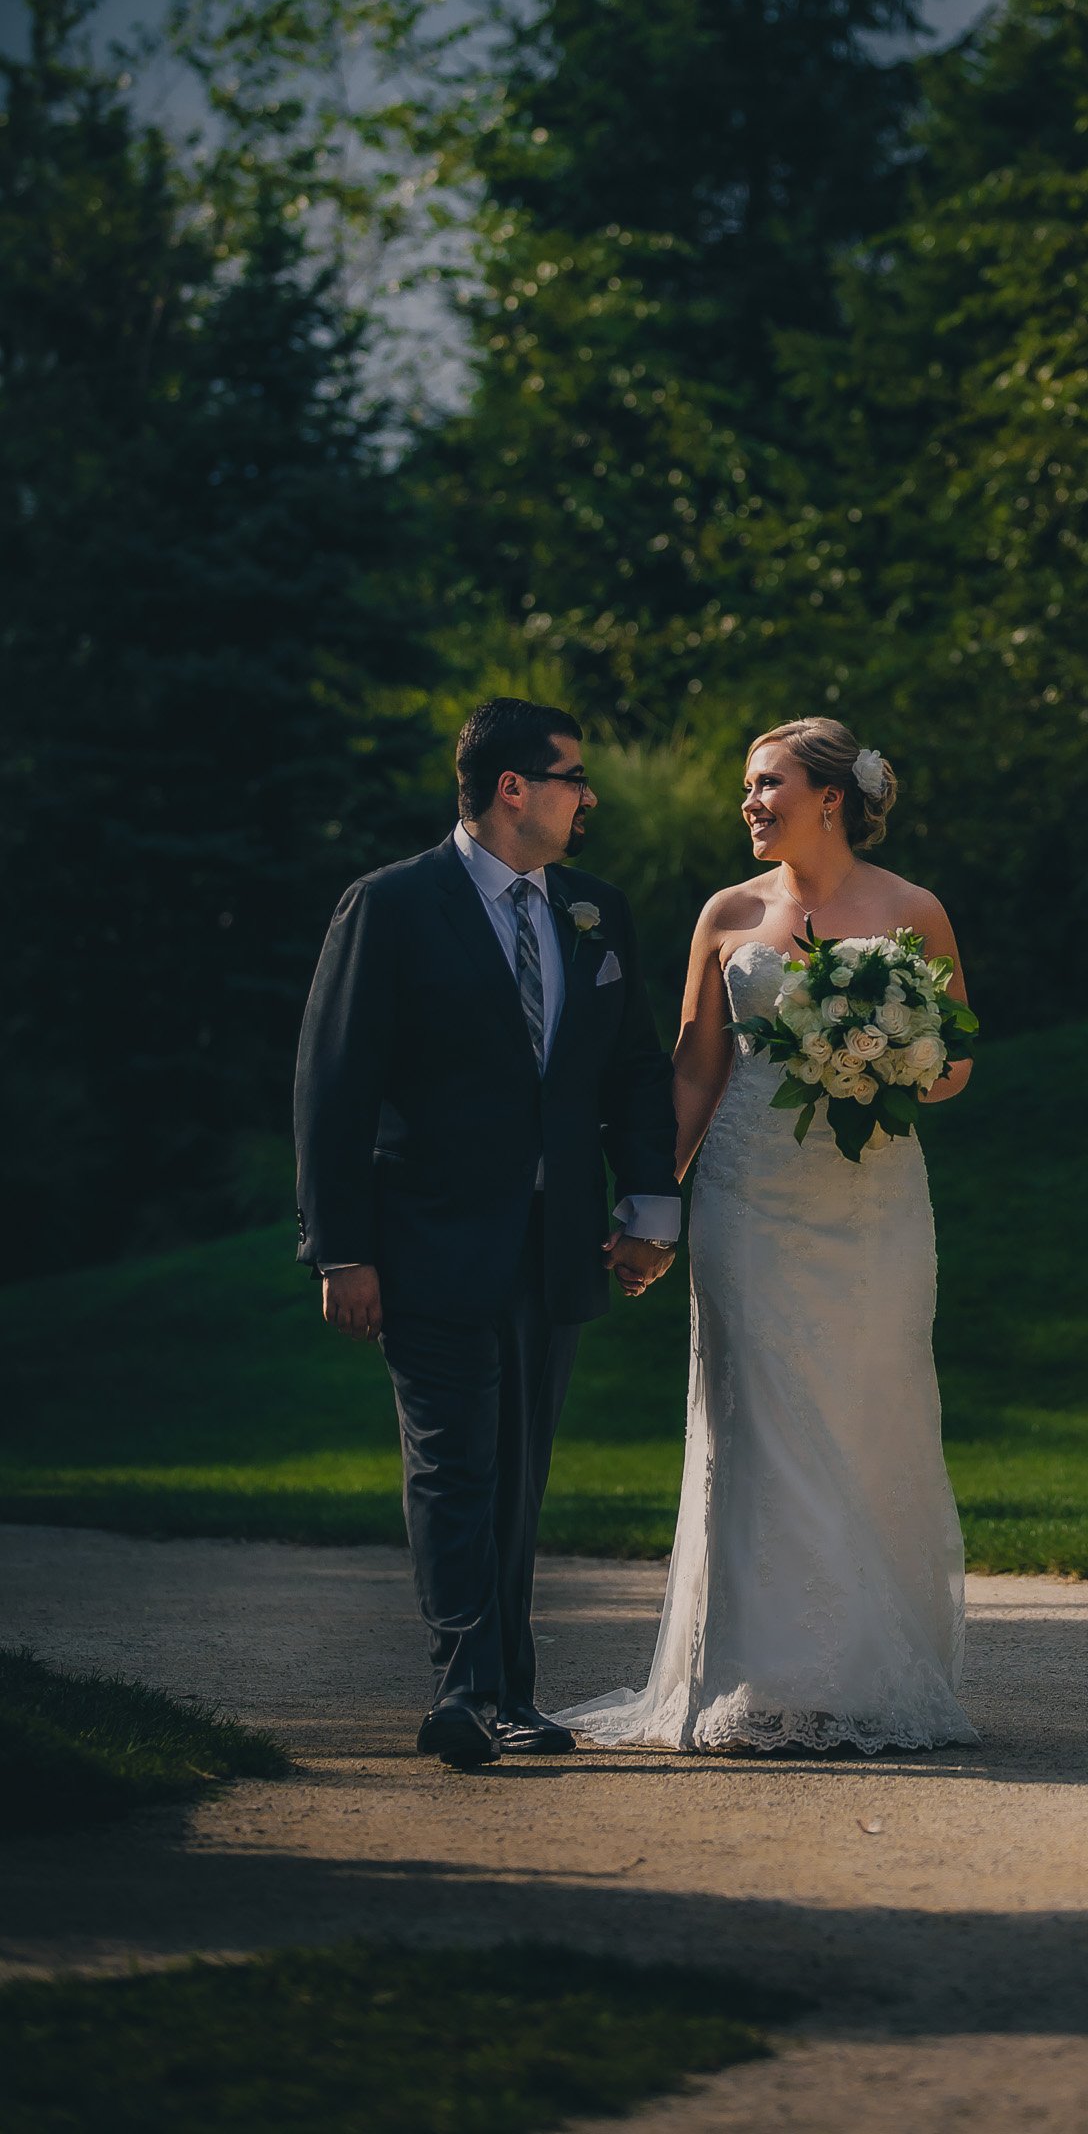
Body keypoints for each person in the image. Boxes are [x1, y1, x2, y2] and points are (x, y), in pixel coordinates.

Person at [559, 717, 977, 1756]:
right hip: (750, 1195)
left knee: (865, 1413)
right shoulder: (726, 914)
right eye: (746, 788)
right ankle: (761, 1676)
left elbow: (959, 1056)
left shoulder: (909, 908)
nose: (748, 803)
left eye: (766, 784)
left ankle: (863, 1674)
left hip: (873, 1200)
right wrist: (653, 1203)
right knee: (761, 1417)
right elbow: (697, 1069)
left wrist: (896, 1061)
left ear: (828, 795)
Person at [294, 697, 680, 1770]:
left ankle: (508, 1690)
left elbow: (631, 1071)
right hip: (424, 1242)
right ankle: (467, 1692)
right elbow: (333, 1088)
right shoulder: (391, 905)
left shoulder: (594, 910)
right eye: (573, 776)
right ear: (513, 787)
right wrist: (341, 1249)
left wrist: (649, 1208)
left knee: (517, 1476)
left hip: (553, 1245)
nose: (587, 795)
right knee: (456, 1463)